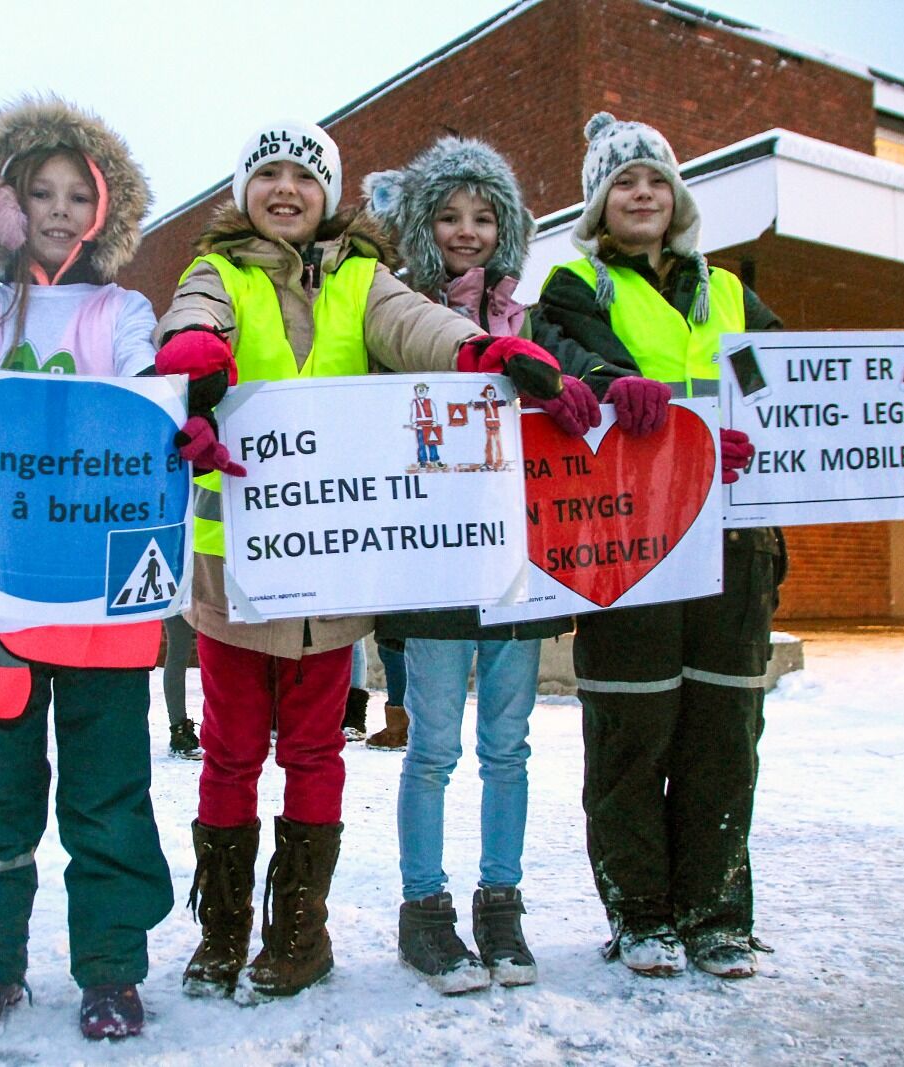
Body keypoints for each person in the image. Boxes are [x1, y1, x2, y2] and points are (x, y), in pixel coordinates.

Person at [535, 113, 904, 981]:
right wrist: (619, 388)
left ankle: (716, 913)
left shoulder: (731, 292)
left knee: (723, 735)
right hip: (634, 544)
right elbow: (569, 357)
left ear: (678, 197)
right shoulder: (574, 284)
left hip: (738, 545)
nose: (643, 195)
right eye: (624, 182)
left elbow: (814, 391)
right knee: (634, 732)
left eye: (656, 180)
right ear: (598, 202)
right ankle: (643, 917)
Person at [152, 119, 571, 1001]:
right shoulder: (214, 269)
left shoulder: (359, 277)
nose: (285, 190)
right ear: (244, 193)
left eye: (303, 177)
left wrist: (478, 348)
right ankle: (222, 930)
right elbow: (195, 317)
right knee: (229, 753)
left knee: (313, 751)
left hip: (337, 567)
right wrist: (191, 355)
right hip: (238, 570)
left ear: (329, 194)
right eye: (266, 174)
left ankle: (300, 932)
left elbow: (415, 325)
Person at [0, 96, 173, 1040]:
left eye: (74, 195)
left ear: (102, 211)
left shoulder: (121, 307)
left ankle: (110, 970)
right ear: (1, 203)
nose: (56, 210)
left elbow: (139, 384)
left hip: (100, 598)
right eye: (37, 191)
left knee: (109, 792)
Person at [363, 135, 605, 992]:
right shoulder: (396, 314)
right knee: (431, 748)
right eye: (449, 214)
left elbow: (582, 391)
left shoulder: (530, 317)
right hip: (432, 570)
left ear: (507, 227)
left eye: (484, 214)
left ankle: (500, 904)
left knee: (510, 745)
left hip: (518, 567)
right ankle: (423, 911)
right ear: (425, 226)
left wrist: (593, 393)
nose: (467, 230)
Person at [164, 615, 204, 758]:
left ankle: (224, 727)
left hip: (213, 594)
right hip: (176, 596)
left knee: (219, 651)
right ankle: (179, 731)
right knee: (179, 650)